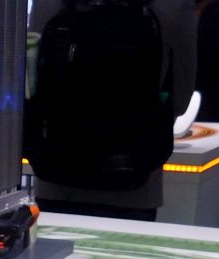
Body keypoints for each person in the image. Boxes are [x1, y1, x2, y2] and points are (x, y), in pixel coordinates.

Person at [29, 0, 197, 221]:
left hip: (56, 168)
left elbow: (32, 79)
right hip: (135, 174)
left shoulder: (50, 3)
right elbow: (181, 97)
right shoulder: (172, 5)